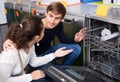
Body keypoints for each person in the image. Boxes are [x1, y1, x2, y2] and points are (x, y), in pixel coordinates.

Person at [3, 2, 87, 66]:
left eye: (57, 18)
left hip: (48, 51)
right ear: (46, 13)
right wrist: (10, 40)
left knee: (76, 48)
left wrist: (74, 39)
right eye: (51, 16)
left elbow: (63, 39)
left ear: (61, 19)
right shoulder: (36, 24)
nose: (52, 21)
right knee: (44, 76)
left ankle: (63, 71)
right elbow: (22, 31)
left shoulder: (58, 25)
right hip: (33, 57)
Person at [0, 15, 73, 82]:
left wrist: (54, 55)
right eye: (43, 31)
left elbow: (34, 62)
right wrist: (30, 77)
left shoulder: (30, 45)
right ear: (37, 38)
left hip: (20, 76)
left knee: (44, 74)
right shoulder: (10, 55)